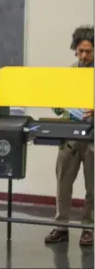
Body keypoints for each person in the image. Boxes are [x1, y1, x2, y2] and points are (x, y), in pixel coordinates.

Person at [45, 25, 94, 246]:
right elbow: (58, 107)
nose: (84, 55)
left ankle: (88, 228)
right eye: (81, 50)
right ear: (75, 50)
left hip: (93, 136)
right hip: (71, 135)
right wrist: (58, 105)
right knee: (63, 182)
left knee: (92, 186)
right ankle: (61, 226)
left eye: (89, 51)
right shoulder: (69, 73)